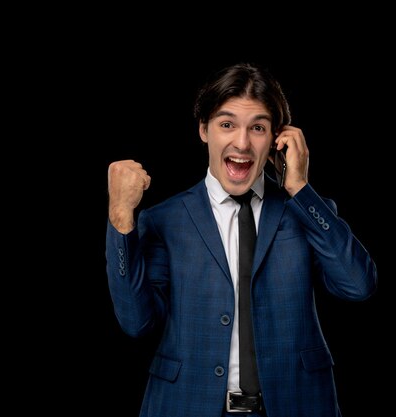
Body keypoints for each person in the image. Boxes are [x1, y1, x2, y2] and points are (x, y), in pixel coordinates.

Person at [105, 62, 377, 417]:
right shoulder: (164, 221)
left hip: (298, 405)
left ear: (278, 137)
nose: (243, 143)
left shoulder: (307, 212)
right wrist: (121, 219)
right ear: (204, 129)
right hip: (187, 405)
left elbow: (358, 285)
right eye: (227, 124)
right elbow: (136, 322)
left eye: (258, 128)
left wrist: (299, 188)